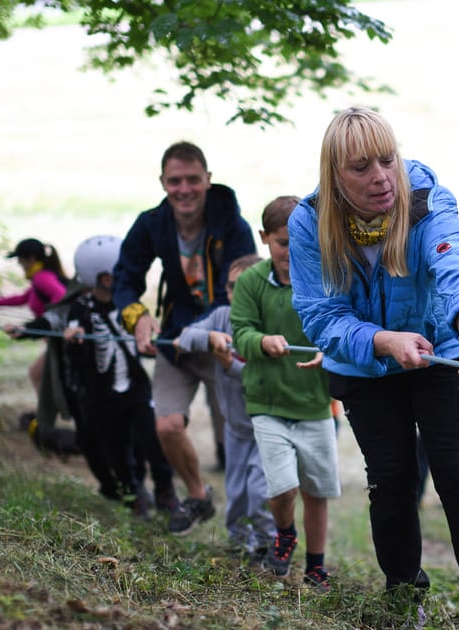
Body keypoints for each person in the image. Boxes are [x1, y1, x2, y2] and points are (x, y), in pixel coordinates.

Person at [289, 107, 459, 629]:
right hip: (366, 367)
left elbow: (455, 260)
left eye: (387, 160)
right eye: (361, 167)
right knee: (391, 479)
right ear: (335, 175)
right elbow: (321, 316)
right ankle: (403, 596)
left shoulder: (426, 197)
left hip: (441, 352)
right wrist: (383, 341)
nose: (381, 177)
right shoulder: (308, 221)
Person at [112, 140, 257, 536]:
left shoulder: (233, 225)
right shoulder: (151, 224)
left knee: (241, 436)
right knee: (167, 426)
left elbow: (242, 291)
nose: (184, 189)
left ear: (208, 180)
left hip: (222, 340)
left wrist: (207, 334)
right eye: (175, 181)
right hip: (174, 341)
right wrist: (137, 317)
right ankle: (197, 495)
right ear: (162, 183)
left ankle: (251, 529)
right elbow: (125, 278)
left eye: (193, 179)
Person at [231, 196, 339, 591]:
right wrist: (261, 341)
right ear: (264, 239)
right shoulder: (251, 282)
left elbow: (342, 328)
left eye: (299, 242)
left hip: (314, 405)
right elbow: (239, 333)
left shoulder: (329, 279)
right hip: (268, 406)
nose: (290, 253)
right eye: (281, 243)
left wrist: (332, 351)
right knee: (282, 486)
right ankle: (285, 531)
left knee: (317, 490)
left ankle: (316, 565)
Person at [49, 235, 177, 521]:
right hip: (101, 397)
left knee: (152, 442)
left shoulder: (128, 303)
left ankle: (165, 491)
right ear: (104, 277)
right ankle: (132, 495)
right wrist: (74, 340)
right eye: (118, 271)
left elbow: (141, 340)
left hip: (136, 389)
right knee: (115, 449)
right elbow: (74, 342)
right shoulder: (81, 309)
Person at [173, 252, 275, 561]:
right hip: (235, 425)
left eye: (242, 287)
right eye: (230, 288)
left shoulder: (270, 324)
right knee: (237, 491)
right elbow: (185, 338)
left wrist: (230, 365)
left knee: (259, 491)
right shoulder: (221, 317)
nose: (234, 295)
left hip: (266, 425)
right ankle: (238, 543)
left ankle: (268, 544)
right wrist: (209, 336)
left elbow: (265, 379)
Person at [0, 237, 68, 400]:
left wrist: (43, 324)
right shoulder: (40, 278)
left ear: (30, 259)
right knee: (38, 375)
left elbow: (62, 297)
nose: (19, 265)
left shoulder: (42, 278)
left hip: (63, 342)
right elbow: (22, 298)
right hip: (56, 342)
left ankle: (46, 420)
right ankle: (46, 418)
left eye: (20, 261)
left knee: (37, 375)